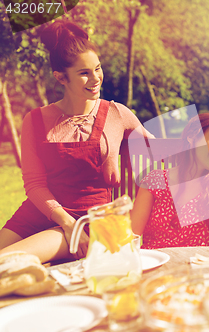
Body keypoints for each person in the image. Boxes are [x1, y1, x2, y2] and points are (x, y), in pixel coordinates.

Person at [0, 21, 152, 263]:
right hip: (44, 212)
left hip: (91, 218)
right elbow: (34, 184)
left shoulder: (117, 114)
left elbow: (160, 148)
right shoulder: (35, 120)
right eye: (84, 73)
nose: (96, 79)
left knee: (4, 262)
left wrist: (206, 141)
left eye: (98, 69)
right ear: (60, 78)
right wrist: (66, 221)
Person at [130, 113, 209, 253]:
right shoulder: (155, 181)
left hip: (196, 266)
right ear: (191, 137)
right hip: (156, 265)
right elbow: (131, 234)